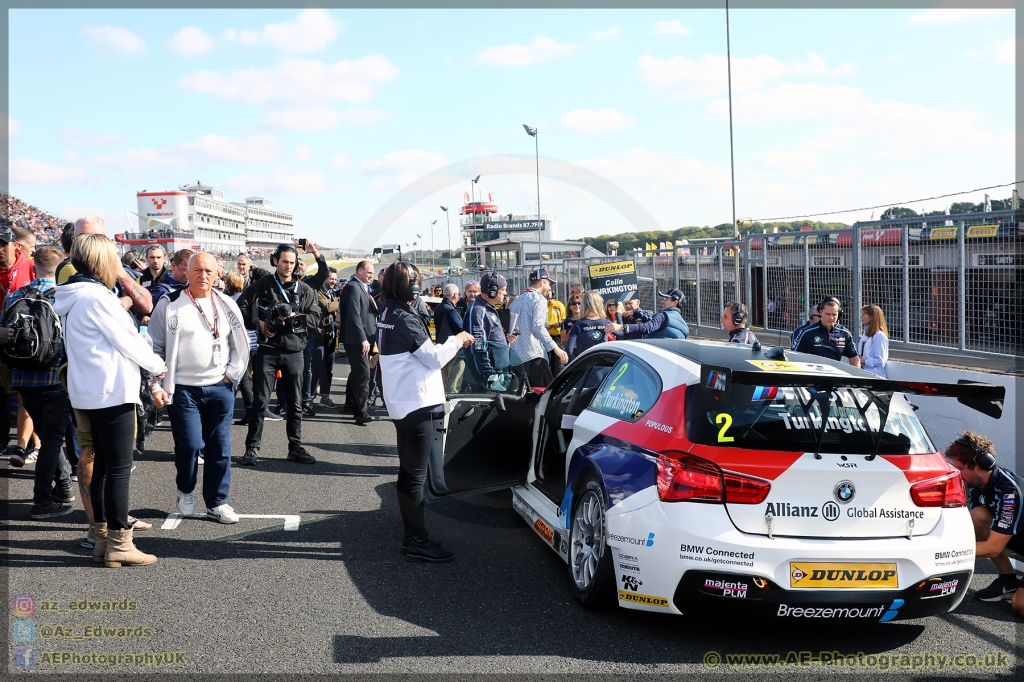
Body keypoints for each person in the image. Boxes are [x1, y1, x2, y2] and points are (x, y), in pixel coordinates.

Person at [53, 234, 167, 567]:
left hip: (88, 391)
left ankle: (104, 539)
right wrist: (158, 367)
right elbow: (129, 340)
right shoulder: (97, 297)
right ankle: (120, 542)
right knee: (117, 469)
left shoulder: (74, 295)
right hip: (112, 390)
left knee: (103, 465)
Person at [377, 261, 474, 562]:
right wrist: (457, 340)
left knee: (408, 475)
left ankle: (412, 536)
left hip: (403, 404)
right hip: (418, 404)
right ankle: (417, 539)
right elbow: (432, 358)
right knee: (415, 477)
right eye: (413, 280)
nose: (417, 284)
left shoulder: (389, 313)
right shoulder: (404, 318)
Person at [150, 253, 249, 525]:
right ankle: (185, 488)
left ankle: (217, 502)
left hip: (220, 387)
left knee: (220, 447)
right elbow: (155, 346)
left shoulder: (227, 304)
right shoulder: (170, 304)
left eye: (208, 271)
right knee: (190, 445)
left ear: (218, 274)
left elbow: (240, 344)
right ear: (186, 272)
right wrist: (156, 383)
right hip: (183, 390)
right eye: (197, 270)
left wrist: (231, 376)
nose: (202, 276)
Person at [0, 247, 75, 518]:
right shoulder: (63, 297)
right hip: (55, 378)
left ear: (34, 268)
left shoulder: (14, 296)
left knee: (47, 437)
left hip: (23, 378)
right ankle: (42, 501)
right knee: (52, 440)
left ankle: (64, 486)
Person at [235, 243, 321, 466]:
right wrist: (260, 324)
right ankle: (252, 448)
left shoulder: (304, 289)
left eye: (292, 263)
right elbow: (240, 307)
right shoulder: (263, 284)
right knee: (260, 401)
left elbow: (315, 318)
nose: (288, 266)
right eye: (285, 262)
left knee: (295, 402)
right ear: (275, 261)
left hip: (295, 350)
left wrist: (295, 317)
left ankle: (295, 447)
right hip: (269, 349)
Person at [945, 431, 1024, 616]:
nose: (955, 474)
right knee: (978, 515)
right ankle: (1009, 581)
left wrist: (945, 553)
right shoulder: (977, 487)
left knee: (1020, 605)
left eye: (959, 469)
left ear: (979, 466)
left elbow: (993, 548)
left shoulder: (1010, 492)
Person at [509, 269, 568, 389]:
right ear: (542, 282)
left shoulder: (516, 301)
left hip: (516, 357)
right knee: (547, 394)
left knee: (521, 397)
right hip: (534, 355)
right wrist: (556, 349)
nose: (549, 288)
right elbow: (538, 327)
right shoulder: (539, 299)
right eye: (548, 283)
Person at [339, 260, 379, 425]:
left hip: (363, 339)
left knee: (358, 374)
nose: (371, 275)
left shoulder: (361, 287)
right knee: (363, 375)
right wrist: (362, 338)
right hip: (357, 340)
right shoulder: (353, 288)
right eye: (369, 272)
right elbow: (354, 316)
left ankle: (354, 406)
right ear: (360, 271)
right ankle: (361, 412)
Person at [464, 272, 519, 390]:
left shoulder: (488, 308)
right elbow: (477, 346)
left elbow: (490, 338)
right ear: (492, 291)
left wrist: (506, 338)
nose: (505, 293)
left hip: (499, 373)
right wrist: (489, 375)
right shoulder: (478, 310)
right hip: (490, 379)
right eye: (503, 289)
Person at [225, 272, 257, 424]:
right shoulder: (248, 299)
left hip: (239, 344)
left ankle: (228, 411)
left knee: (237, 379)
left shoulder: (228, 301)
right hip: (253, 342)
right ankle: (249, 410)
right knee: (244, 379)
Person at [793, 297, 861, 367]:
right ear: (821, 312)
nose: (831, 318)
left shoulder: (845, 334)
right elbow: (794, 357)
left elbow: (854, 358)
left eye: (834, 314)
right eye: (828, 314)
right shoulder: (806, 333)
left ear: (839, 314)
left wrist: (857, 377)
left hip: (834, 376)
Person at [605, 288, 689, 340]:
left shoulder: (662, 316)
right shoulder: (685, 327)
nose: (662, 301)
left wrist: (622, 327)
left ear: (675, 302)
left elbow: (646, 327)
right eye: (626, 303)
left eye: (666, 299)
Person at [310, 267, 340, 408]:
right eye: (331, 278)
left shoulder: (332, 293)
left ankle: (325, 397)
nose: (333, 281)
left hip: (331, 338)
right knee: (316, 368)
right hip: (319, 337)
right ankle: (309, 397)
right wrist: (340, 301)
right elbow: (328, 307)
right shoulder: (319, 293)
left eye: (335, 279)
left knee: (328, 369)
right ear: (324, 279)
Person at [565, 291, 614, 361]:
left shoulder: (578, 325)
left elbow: (569, 350)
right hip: (604, 365)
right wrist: (618, 314)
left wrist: (577, 366)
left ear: (583, 305)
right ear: (599, 304)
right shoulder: (607, 323)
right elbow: (622, 335)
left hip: (586, 366)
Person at [433, 283, 463, 385]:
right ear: (455, 295)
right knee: (453, 383)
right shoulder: (450, 310)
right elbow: (460, 329)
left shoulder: (438, 308)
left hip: (440, 348)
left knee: (442, 381)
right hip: (452, 351)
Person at [858, 304, 889, 377]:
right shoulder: (867, 334)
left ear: (872, 317)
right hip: (866, 372)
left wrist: (863, 361)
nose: (861, 317)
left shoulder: (879, 336)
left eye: (863, 315)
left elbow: (879, 360)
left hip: (875, 375)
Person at [546, 289, 566, 378]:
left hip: (557, 337)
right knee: (546, 361)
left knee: (557, 363)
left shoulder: (558, 305)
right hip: (544, 338)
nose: (548, 301)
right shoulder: (539, 306)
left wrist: (559, 323)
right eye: (546, 299)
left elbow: (565, 319)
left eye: (550, 298)